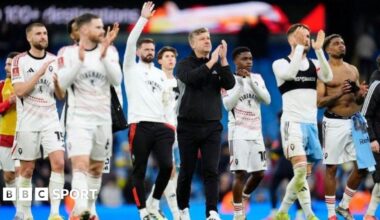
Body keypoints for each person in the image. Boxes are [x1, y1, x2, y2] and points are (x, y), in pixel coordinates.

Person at [56, 13, 122, 220]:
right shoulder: (67, 52)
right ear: (84, 30)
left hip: (103, 119)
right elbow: (62, 84)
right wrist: (79, 63)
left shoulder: (110, 50)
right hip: (79, 119)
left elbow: (117, 79)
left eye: (102, 27)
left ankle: (90, 209)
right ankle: (81, 209)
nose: (103, 31)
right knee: (81, 165)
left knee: (95, 169)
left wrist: (103, 56)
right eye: (98, 27)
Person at [272, 23, 333, 220]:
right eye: (302, 36)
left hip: (311, 125)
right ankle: (293, 212)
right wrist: (299, 47)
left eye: (308, 36)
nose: (307, 38)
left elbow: (328, 76)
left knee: (303, 176)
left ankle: (298, 213)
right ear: (291, 39)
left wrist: (319, 51)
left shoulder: (315, 64)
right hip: (292, 123)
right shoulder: (280, 63)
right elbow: (290, 74)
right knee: (299, 173)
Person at [175, 26, 235, 219]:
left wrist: (224, 61)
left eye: (209, 38)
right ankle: (183, 209)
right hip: (188, 126)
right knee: (187, 171)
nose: (208, 41)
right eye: (202, 39)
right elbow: (193, 79)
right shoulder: (184, 64)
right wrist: (212, 62)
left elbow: (230, 84)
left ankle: (212, 211)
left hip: (212, 126)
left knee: (211, 171)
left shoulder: (217, 63)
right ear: (193, 43)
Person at [123, 2, 175, 219]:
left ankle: (154, 203)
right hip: (139, 124)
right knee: (140, 171)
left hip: (161, 126)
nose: (150, 52)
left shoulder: (160, 74)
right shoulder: (130, 68)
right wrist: (143, 19)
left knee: (166, 166)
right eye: (146, 49)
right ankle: (143, 211)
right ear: (137, 51)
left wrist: (170, 124)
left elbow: (166, 101)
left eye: (152, 50)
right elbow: (130, 40)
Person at [11, 22, 66, 220]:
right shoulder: (20, 61)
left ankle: (54, 213)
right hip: (28, 121)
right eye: (38, 34)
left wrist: (59, 84)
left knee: (59, 163)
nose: (43, 36)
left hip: (51, 119)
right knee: (26, 169)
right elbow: (19, 91)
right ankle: (24, 212)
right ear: (29, 38)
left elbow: (60, 95)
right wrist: (40, 73)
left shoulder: (55, 60)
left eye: (45, 33)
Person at [317, 34, 372, 220]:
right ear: (328, 50)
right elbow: (319, 102)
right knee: (332, 168)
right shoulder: (324, 72)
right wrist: (339, 93)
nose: (341, 45)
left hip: (356, 121)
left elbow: (356, 98)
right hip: (334, 122)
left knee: (364, 166)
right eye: (336, 43)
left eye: (343, 42)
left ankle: (344, 205)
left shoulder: (353, 69)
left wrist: (361, 94)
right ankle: (331, 215)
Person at [221, 46, 270, 220]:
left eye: (250, 59)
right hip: (238, 133)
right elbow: (228, 105)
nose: (248, 62)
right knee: (240, 173)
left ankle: (245, 196)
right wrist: (241, 83)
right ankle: (238, 214)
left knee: (259, 173)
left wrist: (250, 82)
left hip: (256, 133)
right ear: (235, 61)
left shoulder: (257, 78)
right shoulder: (227, 79)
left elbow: (267, 99)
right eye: (244, 59)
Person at [146, 46, 180, 220]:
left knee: (174, 172)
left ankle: (152, 203)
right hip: (161, 128)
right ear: (159, 60)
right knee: (169, 170)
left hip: (177, 130)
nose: (170, 59)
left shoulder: (179, 83)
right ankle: (175, 213)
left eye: (172, 56)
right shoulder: (155, 79)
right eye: (166, 56)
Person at [0, 52, 20, 211]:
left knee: (23, 174)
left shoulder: (27, 85)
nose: (7, 67)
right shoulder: (1, 85)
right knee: (9, 176)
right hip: (5, 137)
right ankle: (19, 209)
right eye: (6, 64)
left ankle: (24, 210)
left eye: (10, 64)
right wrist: (9, 102)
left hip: (24, 135)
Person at [362, 73, 380, 219]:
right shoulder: (376, 85)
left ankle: (369, 214)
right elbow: (365, 114)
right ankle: (369, 214)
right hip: (377, 140)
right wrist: (372, 139)